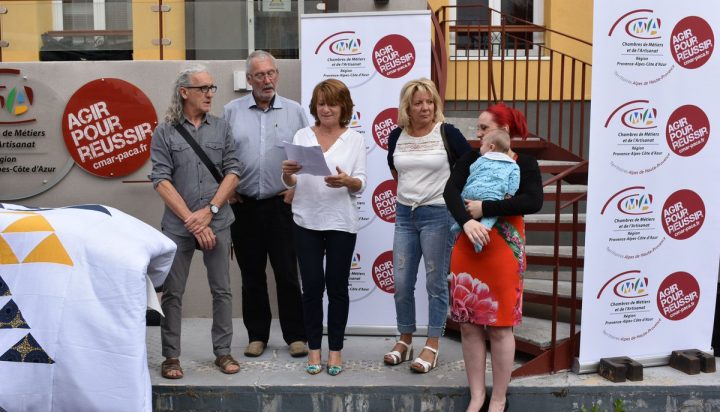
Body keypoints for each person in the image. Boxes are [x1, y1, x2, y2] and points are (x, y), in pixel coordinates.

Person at [443, 103, 543, 412]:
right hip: (467, 246)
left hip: (503, 253)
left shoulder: (524, 163)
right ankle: (477, 396)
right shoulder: (472, 157)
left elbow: (533, 200)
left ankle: (498, 399)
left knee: (500, 327)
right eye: (479, 127)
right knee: (470, 326)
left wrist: (485, 208)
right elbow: (450, 191)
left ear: (505, 130)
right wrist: (468, 221)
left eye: (484, 128)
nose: (478, 133)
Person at [149, 65, 242, 379]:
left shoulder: (222, 128)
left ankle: (223, 352)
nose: (209, 94)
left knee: (222, 290)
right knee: (173, 292)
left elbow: (233, 172)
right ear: (184, 91)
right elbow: (160, 179)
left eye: (212, 88)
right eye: (203, 88)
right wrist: (192, 220)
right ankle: (171, 357)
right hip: (180, 226)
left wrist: (209, 213)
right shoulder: (165, 131)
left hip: (217, 221)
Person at [223, 50, 308, 358]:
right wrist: (227, 189)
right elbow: (221, 153)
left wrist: (296, 191)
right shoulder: (231, 111)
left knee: (287, 272)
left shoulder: (296, 111)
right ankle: (257, 335)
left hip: (281, 204)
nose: (267, 79)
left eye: (271, 73)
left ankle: (296, 336)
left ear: (278, 75)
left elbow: (307, 156)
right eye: (259, 75)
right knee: (251, 274)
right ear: (249, 80)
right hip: (243, 206)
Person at [383, 78, 471, 373]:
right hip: (405, 215)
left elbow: (471, 166)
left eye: (430, 102)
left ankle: (432, 343)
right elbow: (395, 170)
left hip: (438, 215)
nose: (425, 107)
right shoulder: (396, 136)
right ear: (407, 105)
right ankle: (405, 339)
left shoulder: (447, 133)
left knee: (435, 283)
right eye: (418, 102)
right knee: (402, 283)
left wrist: (453, 199)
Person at [281, 79, 366, 376]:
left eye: (332, 103)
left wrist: (347, 181)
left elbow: (361, 183)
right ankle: (314, 350)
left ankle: (336, 352)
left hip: (342, 223)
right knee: (312, 287)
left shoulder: (354, 139)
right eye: (321, 103)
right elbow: (291, 182)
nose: (326, 108)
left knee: (337, 289)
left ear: (343, 106)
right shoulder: (302, 135)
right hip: (306, 220)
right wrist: (287, 173)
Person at [449, 129, 520, 253]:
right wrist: (509, 195)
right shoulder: (513, 165)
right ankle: (479, 241)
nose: (480, 148)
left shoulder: (481, 159)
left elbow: (473, 170)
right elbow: (514, 183)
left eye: (482, 145)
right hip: (493, 197)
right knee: (490, 218)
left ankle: (459, 224)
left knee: (461, 202)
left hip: (471, 192)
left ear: (491, 147)